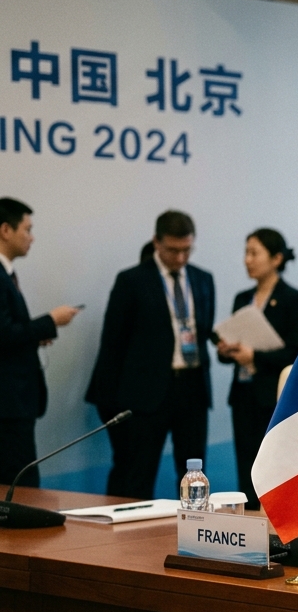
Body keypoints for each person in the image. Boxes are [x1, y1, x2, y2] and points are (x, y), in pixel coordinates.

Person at [86, 210, 215, 498]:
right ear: (157, 242)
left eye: (187, 250)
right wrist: (111, 401)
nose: (180, 258)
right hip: (147, 393)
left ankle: (195, 524)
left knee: (194, 476)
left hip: (192, 388)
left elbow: (202, 329)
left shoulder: (202, 279)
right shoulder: (132, 280)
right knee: (138, 475)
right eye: (173, 250)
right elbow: (113, 343)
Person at [216, 229, 298, 510]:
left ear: (276, 258)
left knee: (276, 470)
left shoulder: (294, 299)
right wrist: (227, 351)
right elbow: (235, 345)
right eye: (246, 253)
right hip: (243, 395)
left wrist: (255, 357)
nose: (247, 260)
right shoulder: (242, 298)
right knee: (247, 468)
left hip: (274, 396)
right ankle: (249, 524)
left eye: (254, 253)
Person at [0, 198, 80, 487]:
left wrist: (36, 335)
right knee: (19, 486)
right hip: (7, 405)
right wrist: (50, 321)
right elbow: (4, 334)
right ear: (5, 230)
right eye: (27, 229)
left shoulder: (7, 274)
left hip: (14, 404)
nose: (32, 238)